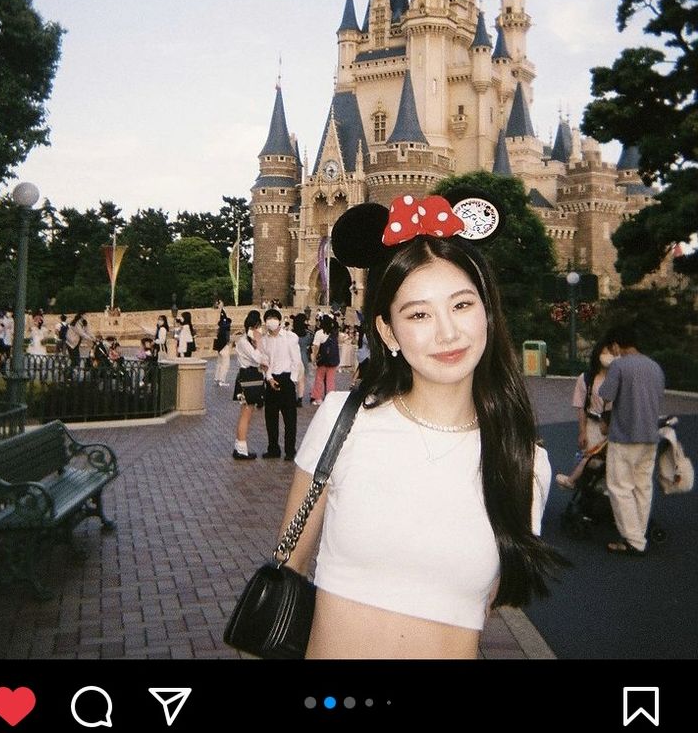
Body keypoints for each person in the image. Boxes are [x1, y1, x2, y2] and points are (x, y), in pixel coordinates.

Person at [275, 194, 562, 659]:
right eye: (419, 314)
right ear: (388, 331)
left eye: (462, 305)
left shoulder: (524, 462)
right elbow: (287, 565)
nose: (447, 333)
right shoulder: (341, 424)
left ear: (487, 311)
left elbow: (486, 603)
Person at [599, 326, 665, 556]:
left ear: (617, 345)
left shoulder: (618, 366)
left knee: (620, 488)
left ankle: (633, 540)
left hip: (625, 436)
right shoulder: (655, 367)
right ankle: (639, 533)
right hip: (650, 437)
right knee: (642, 487)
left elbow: (606, 395)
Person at [556, 340, 612, 489]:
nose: (608, 356)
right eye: (605, 352)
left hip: (614, 426)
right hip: (594, 426)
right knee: (591, 460)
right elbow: (580, 407)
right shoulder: (586, 379)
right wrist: (582, 432)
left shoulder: (618, 378)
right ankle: (585, 491)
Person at [261, 307, 301, 461]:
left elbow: (296, 360)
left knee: (290, 418)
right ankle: (273, 448)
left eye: (273, 318)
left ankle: (290, 450)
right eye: (268, 318)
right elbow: (265, 361)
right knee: (271, 416)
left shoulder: (290, 337)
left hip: (286, 379)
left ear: (279, 321)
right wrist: (269, 378)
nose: (271, 321)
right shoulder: (264, 340)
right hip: (271, 379)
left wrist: (293, 379)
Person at [231, 310, 267, 460]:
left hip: (253, 376)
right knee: (246, 413)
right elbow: (259, 358)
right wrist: (258, 343)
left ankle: (240, 446)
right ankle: (241, 448)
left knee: (248, 412)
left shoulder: (248, 342)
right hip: (248, 377)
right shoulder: (244, 342)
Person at [310, 313, 340, 405]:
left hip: (323, 360)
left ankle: (318, 397)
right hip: (333, 360)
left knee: (319, 379)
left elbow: (316, 347)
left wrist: (314, 359)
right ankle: (330, 397)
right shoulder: (334, 332)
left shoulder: (319, 333)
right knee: (330, 379)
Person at [213, 307, 232, 387]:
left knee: (219, 363)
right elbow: (227, 339)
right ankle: (222, 380)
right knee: (225, 364)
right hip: (224, 347)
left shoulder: (220, 329)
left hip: (219, 347)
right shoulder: (226, 329)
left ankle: (217, 378)